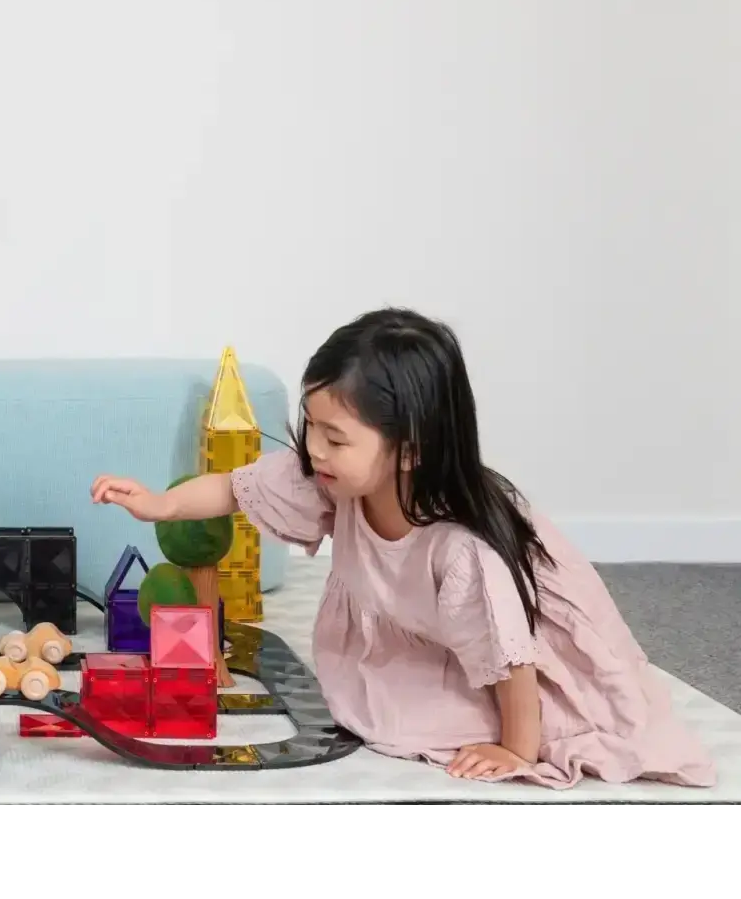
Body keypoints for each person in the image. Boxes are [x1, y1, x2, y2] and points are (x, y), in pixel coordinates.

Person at [91, 307, 716, 789]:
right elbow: (233, 487)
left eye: (337, 438)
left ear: (411, 449)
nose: (314, 450)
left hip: (510, 646)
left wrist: (516, 750)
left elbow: (509, 656)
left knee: (485, 713)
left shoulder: (462, 550)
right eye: (312, 428)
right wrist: (159, 504)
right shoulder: (336, 478)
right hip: (424, 629)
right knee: (380, 703)